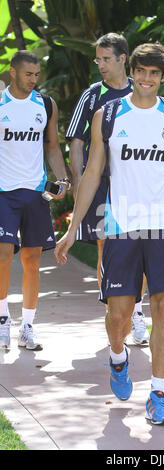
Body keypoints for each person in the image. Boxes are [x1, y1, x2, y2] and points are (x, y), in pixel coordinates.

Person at [54, 42, 164, 425]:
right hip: (122, 224)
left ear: (162, 77)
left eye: (154, 74)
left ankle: (158, 392)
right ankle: (117, 356)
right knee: (119, 314)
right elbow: (93, 172)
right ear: (133, 71)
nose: (146, 79)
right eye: (141, 71)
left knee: (163, 306)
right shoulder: (108, 114)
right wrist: (73, 227)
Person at [66, 32, 149, 345]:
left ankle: (136, 313)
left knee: (138, 246)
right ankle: (114, 312)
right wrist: (77, 181)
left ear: (123, 58)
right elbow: (76, 142)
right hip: (100, 185)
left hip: (134, 184)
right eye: (97, 59)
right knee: (106, 246)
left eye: (106, 58)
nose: (100, 64)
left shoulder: (140, 91)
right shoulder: (92, 96)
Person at [0, 50, 70, 351]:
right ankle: (3, 321)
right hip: (3, 191)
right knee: (3, 254)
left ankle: (27, 326)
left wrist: (62, 178)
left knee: (31, 260)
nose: (33, 80)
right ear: (12, 72)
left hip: (36, 191)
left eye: (36, 74)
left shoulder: (45, 105)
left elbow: (53, 147)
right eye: (28, 74)